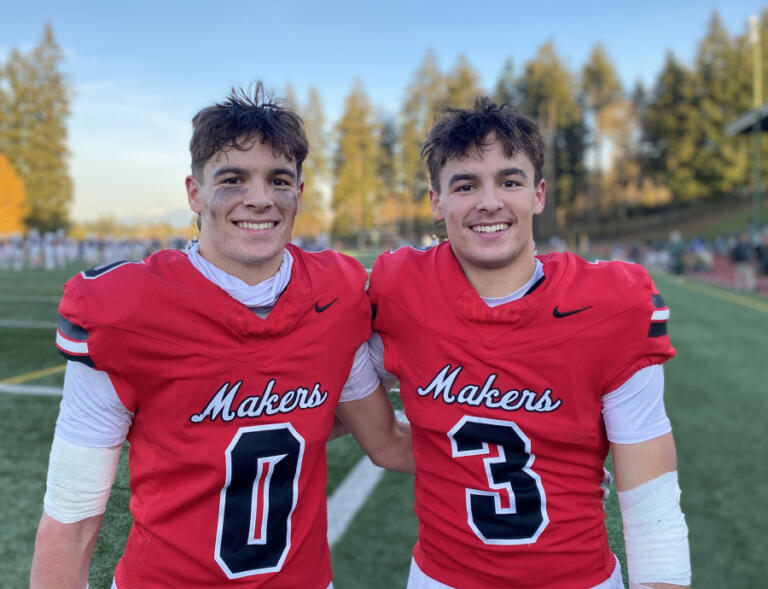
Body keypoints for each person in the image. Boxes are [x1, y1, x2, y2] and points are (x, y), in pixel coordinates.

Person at [30, 85, 413, 589]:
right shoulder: (128, 312)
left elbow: (380, 437)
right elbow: (72, 518)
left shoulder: (335, 294)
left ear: (298, 192)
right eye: (233, 179)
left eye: (279, 179)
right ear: (194, 192)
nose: (260, 198)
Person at [368, 97, 690, 588]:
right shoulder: (400, 291)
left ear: (537, 195)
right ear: (436, 202)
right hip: (441, 578)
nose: (489, 201)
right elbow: (325, 390)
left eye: (509, 181)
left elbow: (651, 497)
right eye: (466, 184)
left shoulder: (612, 305)